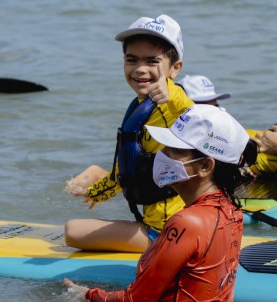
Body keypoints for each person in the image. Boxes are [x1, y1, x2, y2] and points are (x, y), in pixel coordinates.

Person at [64, 105, 249, 301]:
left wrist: (86, 294)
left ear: (205, 166)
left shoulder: (186, 222)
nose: (162, 154)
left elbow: (137, 299)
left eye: (174, 150)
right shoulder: (232, 210)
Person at [64, 15, 195, 252]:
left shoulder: (174, 104)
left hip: (169, 233)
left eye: (152, 61)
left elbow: (190, 111)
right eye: (131, 60)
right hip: (161, 225)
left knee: (72, 231)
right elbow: (128, 168)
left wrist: (171, 92)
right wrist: (96, 193)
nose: (140, 69)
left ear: (175, 69)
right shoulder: (141, 106)